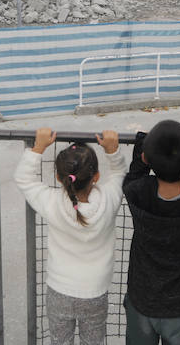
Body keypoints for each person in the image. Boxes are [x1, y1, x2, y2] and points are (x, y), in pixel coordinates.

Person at [14, 127, 126, 345]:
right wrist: (113, 151)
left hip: (60, 290)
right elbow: (120, 174)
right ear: (97, 176)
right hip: (95, 292)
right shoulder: (110, 198)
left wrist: (38, 147)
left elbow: (23, 179)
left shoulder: (52, 202)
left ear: (58, 177)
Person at [122, 119, 180, 345]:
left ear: (146, 157)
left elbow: (135, 175)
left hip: (141, 300)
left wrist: (141, 146)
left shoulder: (138, 193)